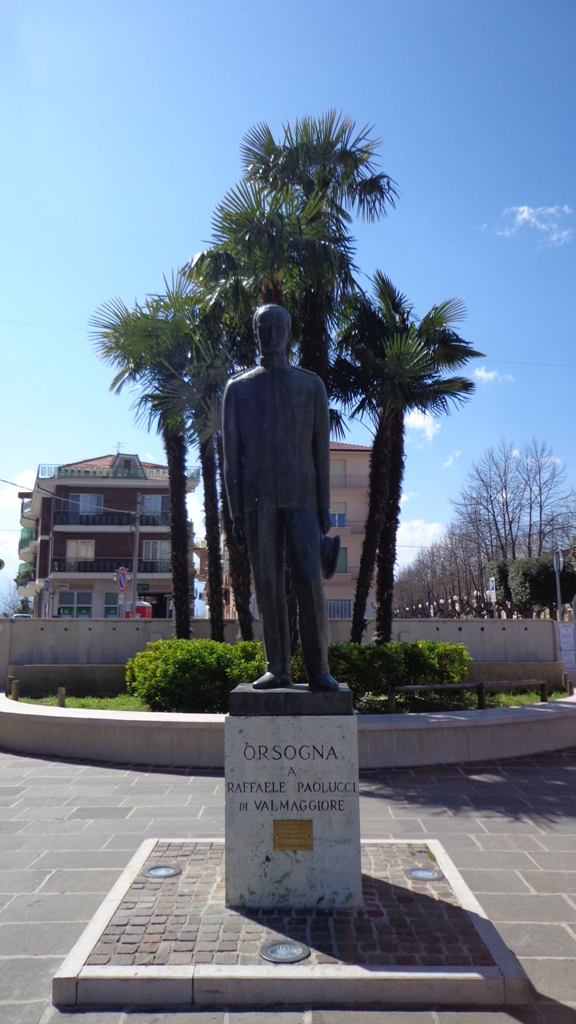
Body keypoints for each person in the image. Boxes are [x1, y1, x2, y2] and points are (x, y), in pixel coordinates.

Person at [222, 304, 339, 691]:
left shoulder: (310, 386)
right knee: (267, 583)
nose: (270, 333)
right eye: (263, 327)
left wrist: (324, 507)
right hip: (257, 501)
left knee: (310, 580)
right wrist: (237, 513)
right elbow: (231, 459)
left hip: (303, 497)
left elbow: (320, 452)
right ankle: (278, 665)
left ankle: (319, 667)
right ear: (255, 332)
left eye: (277, 326)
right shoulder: (237, 389)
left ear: (288, 332)